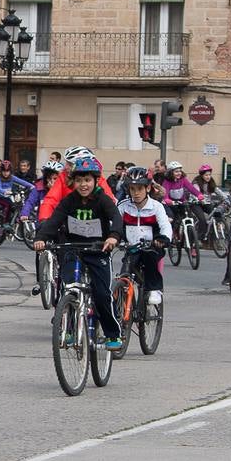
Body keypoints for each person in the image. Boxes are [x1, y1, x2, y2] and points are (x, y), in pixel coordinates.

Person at [32, 156, 124, 350]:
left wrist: (113, 236)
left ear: (95, 181)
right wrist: (41, 238)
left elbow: (116, 217)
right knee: (70, 287)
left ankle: (112, 333)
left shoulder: (102, 200)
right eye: (80, 180)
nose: (84, 184)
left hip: (98, 250)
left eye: (88, 180)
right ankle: (71, 330)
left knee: (101, 293)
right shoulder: (69, 201)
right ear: (73, 182)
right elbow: (54, 220)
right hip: (72, 249)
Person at [117, 167, 172, 306]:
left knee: (150, 259)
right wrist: (112, 237)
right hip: (132, 247)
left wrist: (163, 239)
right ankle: (122, 303)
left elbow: (165, 225)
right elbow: (114, 224)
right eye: (132, 189)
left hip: (152, 246)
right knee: (125, 272)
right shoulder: (123, 206)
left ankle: (154, 289)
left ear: (148, 188)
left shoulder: (156, 207)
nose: (136, 193)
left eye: (139, 188)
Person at [37, 147, 114, 221]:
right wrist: (44, 219)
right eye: (66, 163)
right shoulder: (63, 176)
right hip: (69, 219)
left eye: (70, 164)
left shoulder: (97, 178)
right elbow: (51, 199)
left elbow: (109, 201)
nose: (66, 166)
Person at [0, 160, 34, 225]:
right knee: (7, 205)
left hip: (7, 197)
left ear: (10, 171)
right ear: (1, 171)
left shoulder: (12, 177)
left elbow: (22, 182)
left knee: (14, 208)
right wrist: (4, 191)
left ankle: (11, 223)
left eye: (7, 171)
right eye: (4, 171)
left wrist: (32, 186)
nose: (5, 173)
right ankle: (4, 223)